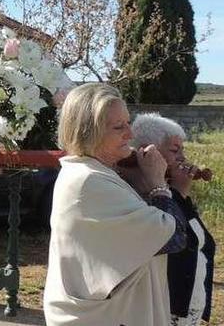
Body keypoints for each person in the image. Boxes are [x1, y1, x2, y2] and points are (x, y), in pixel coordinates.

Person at [43, 83, 188, 325]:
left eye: (128, 123)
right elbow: (173, 236)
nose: (130, 134)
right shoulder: (89, 182)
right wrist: (158, 184)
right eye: (119, 127)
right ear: (89, 132)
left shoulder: (96, 173)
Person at [131, 113, 215, 326]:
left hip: (187, 305)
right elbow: (174, 236)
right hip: (165, 308)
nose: (183, 158)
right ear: (149, 152)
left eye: (182, 150)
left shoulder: (168, 189)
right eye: (174, 150)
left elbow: (196, 235)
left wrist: (181, 193)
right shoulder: (143, 192)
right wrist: (177, 191)